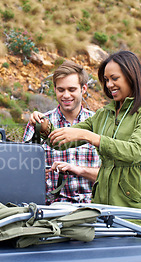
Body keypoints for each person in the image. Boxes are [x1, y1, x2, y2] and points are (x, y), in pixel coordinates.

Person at [33, 51, 141, 230]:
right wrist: (44, 127)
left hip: (136, 208)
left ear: (131, 76)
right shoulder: (104, 114)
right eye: (106, 80)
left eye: (114, 78)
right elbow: (62, 140)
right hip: (103, 206)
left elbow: (136, 151)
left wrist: (90, 136)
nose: (109, 85)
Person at [24, 61, 100, 204]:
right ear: (55, 89)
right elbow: (24, 172)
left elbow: (111, 177)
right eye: (61, 90)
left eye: (72, 89)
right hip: (50, 208)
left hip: (93, 207)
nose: (66, 95)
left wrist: (79, 170)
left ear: (83, 89)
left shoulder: (100, 123)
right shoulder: (39, 123)